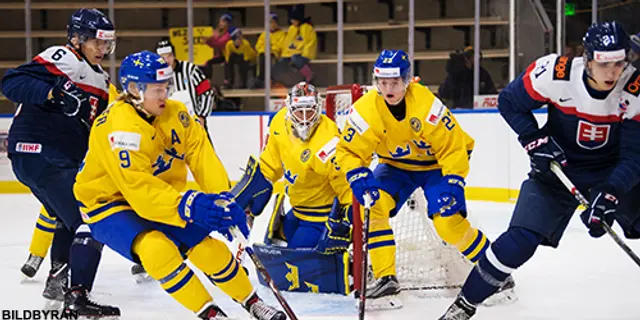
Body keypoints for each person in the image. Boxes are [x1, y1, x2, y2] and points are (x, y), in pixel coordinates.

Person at [439, 21, 640, 320]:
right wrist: (533, 140)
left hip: (611, 174)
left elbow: (634, 155)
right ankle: (463, 306)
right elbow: (509, 101)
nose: (612, 72)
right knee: (517, 243)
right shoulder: (555, 74)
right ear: (587, 59)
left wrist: (611, 192)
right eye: (604, 63)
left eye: (619, 63)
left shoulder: (635, 88)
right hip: (558, 172)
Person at [73, 50, 286, 320]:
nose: (164, 94)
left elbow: (201, 154)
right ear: (133, 90)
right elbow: (138, 190)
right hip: (109, 202)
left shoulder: (177, 113)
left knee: (206, 247)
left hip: (161, 196)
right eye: (156, 89)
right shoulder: (118, 127)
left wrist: (222, 198)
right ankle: (210, 314)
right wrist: (189, 205)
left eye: (166, 86)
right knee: (156, 249)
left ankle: (252, 301)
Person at [335, 49, 509, 309]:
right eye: (383, 83)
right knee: (374, 206)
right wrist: (358, 175)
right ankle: (386, 278)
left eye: (394, 83)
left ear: (407, 81)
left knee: (448, 223)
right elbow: (348, 151)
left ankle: (496, 273)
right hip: (395, 167)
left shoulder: (427, 104)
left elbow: (453, 148)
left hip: (435, 166)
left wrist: (453, 181)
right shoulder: (366, 110)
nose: (388, 89)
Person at [1, 8, 119, 315]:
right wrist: (55, 92)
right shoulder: (64, 57)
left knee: (70, 214)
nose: (103, 49)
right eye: (97, 42)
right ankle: (76, 295)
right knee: (89, 218)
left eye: (107, 43)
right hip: (40, 151)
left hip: (51, 158)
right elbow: (11, 81)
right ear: (77, 39)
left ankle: (58, 276)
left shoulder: (102, 80)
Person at [230, 81, 354, 295]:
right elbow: (270, 165)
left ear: (318, 108)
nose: (305, 118)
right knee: (279, 238)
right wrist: (253, 191)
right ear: (289, 109)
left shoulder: (328, 139)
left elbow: (343, 185)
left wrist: (348, 217)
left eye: (310, 111)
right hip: (296, 210)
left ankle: (350, 260)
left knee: (291, 262)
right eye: (299, 111)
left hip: (320, 217)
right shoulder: (279, 124)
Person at [20, 83, 120, 281]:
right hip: (69, 158)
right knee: (56, 211)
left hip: (89, 158)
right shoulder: (62, 87)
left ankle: (49, 264)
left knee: (61, 212)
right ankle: (38, 256)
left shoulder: (107, 91)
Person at [156, 40, 214, 127]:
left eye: (169, 56)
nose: (166, 61)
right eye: (162, 58)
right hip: (170, 127)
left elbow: (207, 92)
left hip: (194, 123)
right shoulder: (156, 75)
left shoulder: (190, 69)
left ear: (174, 55)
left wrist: (201, 116)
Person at [279, 5, 317, 83]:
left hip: (303, 54)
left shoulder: (307, 28)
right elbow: (287, 43)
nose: (292, 21)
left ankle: (309, 75)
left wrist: (304, 54)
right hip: (293, 53)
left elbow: (310, 43)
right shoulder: (291, 28)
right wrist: (285, 54)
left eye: (294, 19)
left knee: (295, 59)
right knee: (282, 61)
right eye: (291, 19)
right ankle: (282, 82)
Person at [253, 13, 286, 88]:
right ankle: (260, 79)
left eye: (274, 22)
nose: (272, 24)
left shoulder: (281, 34)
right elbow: (258, 45)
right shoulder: (264, 34)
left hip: (275, 54)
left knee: (269, 57)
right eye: (270, 22)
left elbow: (280, 45)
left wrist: (271, 49)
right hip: (264, 53)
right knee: (262, 56)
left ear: (277, 23)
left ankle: (270, 79)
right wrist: (264, 50)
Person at [204, 13, 236, 81]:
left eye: (222, 21)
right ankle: (208, 80)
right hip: (223, 55)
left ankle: (227, 81)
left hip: (232, 55)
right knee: (208, 62)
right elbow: (214, 45)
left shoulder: (231, 32)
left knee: (228, 62)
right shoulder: (221, 32)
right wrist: (207, 41)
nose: (220, 23)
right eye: (220, 21)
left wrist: (212, 38)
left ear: (227, 23)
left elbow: (220, 43)